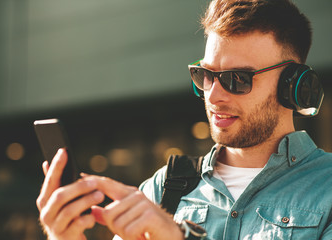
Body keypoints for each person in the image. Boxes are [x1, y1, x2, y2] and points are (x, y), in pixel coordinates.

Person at [36, 0, 332, 239]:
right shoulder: (162, 189)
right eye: (206, 76)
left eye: (237, 79)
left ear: (293, 86)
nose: (213, 96)